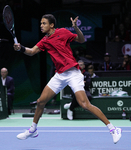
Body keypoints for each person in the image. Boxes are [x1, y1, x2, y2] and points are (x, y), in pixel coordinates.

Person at [13, 14, 121, 143]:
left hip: (73, 73)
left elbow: (81, 40)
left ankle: (113, 129)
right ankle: (33, 129)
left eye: (44, 23)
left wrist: (76, 28)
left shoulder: (63, 32)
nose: (41, 26)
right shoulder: (44, 41)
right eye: (41, 23)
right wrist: (21, 48)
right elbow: (31, 52)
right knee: (41, 102)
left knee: (85, 104)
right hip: (60, 75)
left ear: (52, 25)